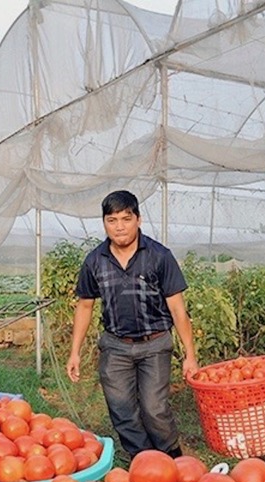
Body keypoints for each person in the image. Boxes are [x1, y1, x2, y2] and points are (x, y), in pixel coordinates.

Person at [66, 190, 198, 459]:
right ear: (104, 223)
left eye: (126, 219)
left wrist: (190, 355)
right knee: (122, 410)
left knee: (154, 408)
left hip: (155, 343)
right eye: (112, 220)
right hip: (115, 346)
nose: (119, 227)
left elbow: (177, 309)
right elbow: (85, 306)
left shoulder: (159, 256)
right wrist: (75, 352)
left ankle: (172, 458)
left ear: (138, 219)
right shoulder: (95, 260)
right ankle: (143, 461)